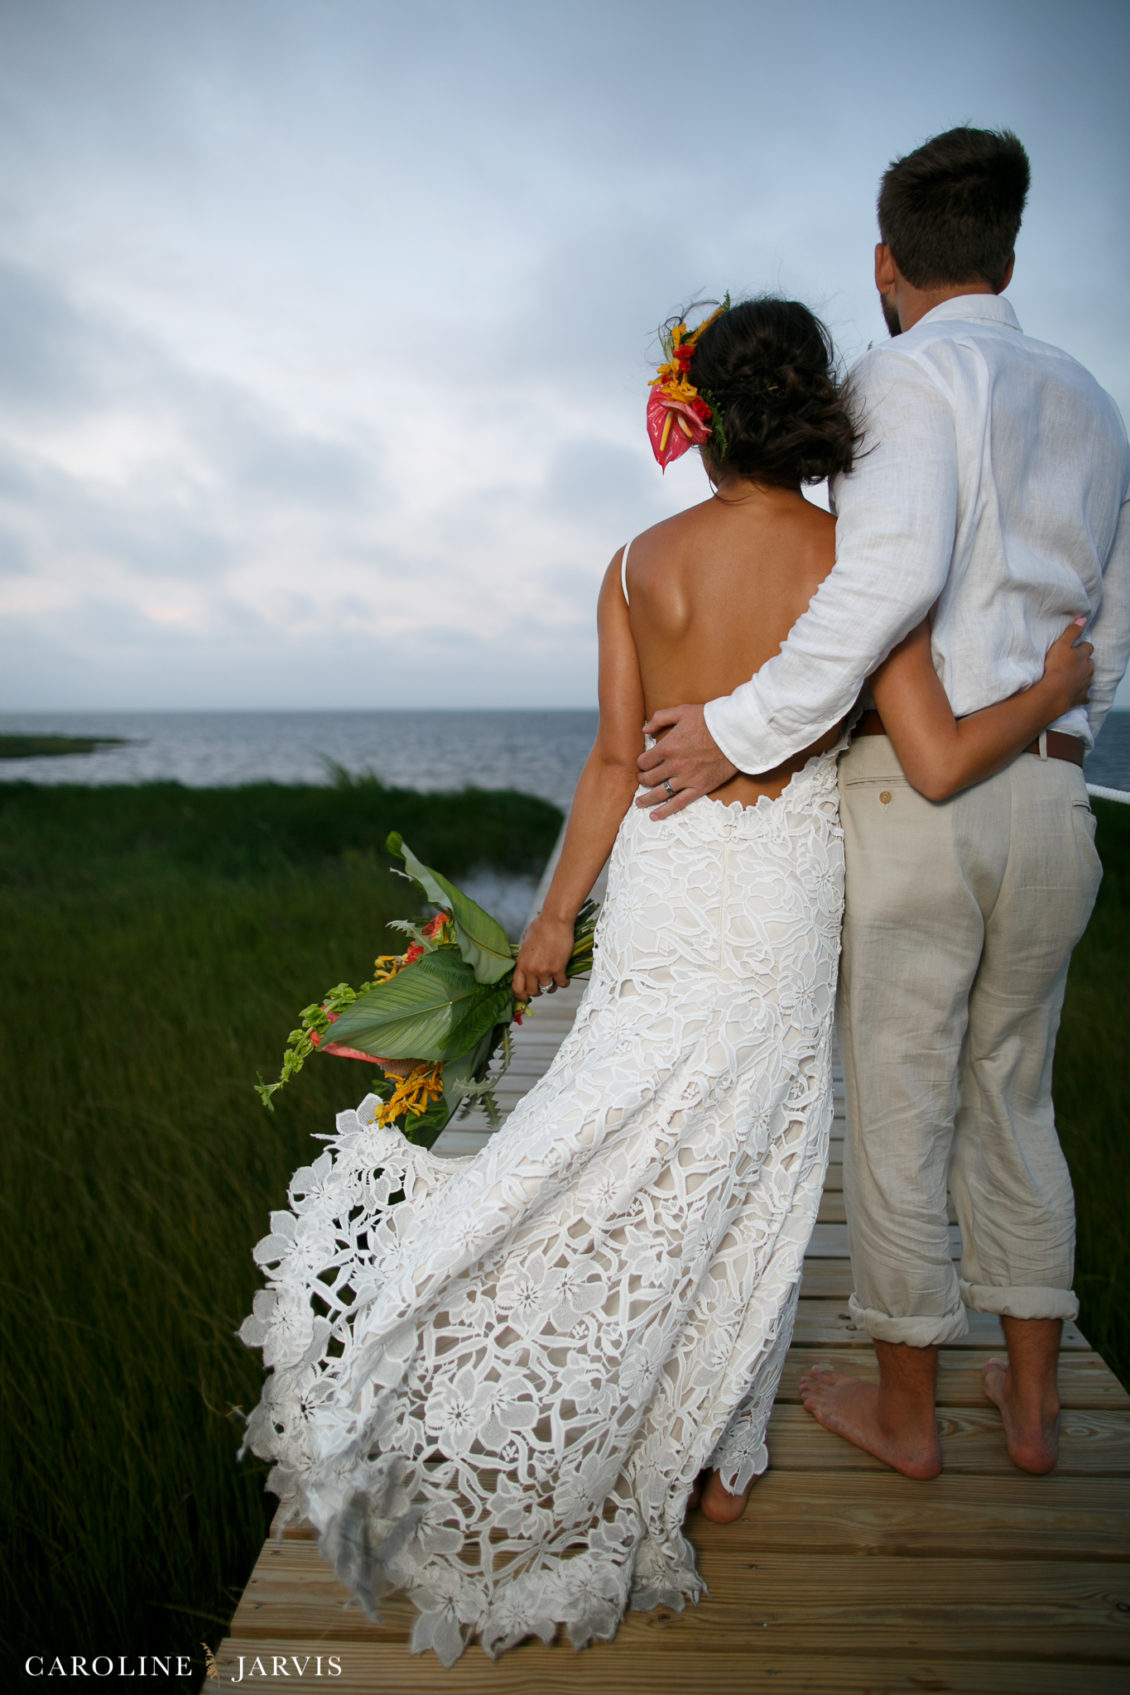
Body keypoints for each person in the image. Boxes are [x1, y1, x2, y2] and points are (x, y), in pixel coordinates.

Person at [237, 295, 1091, 1665]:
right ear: (816, 417)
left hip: (661, 880)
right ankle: (696, 1450)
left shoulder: (636, 560)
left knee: (611, 1116)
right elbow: (907, 733)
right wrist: (1050, 689)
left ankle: (495, 1330)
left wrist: (548, 922)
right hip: (781, 888)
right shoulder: (855, 557)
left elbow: (606, 764)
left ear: (702, 428)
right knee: (746, 1162)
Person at [635, 128, 1130, 1479]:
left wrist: (739, 731)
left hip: (923, 800)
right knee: (1014, 1094)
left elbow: (888, 575)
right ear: (1008, 253)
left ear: (884, 263)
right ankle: (1030, 1410)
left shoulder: (906, 377)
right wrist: (1057, 717)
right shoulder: (1090, 398)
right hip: (1049, 793)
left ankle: (908, 1412)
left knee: (902, 1099)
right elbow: (1110, 622)